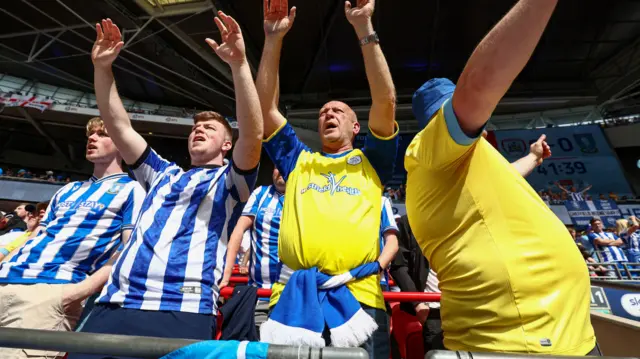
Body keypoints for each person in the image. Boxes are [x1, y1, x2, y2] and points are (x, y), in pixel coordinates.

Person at [404, 0, 596, 355]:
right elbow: (477, 86)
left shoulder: (463, 165)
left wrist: (533, 159)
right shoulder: (430, 148)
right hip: (515, 344)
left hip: (564, 338)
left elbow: (504, 178)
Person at [70, 14, 263, 351]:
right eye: (194, 128)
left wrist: (239, 64)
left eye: (210, 129)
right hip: (116, 304)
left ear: (227, 145)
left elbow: (253, 133)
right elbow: (120, 127)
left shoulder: (231, 181)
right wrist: (102, 69)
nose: (198, 130)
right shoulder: (162, 173)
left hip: (182, 308)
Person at [255, 0, 397, 356]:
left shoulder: (372, 162)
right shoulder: (297, 161)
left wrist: (364, 28)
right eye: (322, 112)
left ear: (355, 125)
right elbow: (264, 110)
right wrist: (273, 41)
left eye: (338, 110)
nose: (328, 113)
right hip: (293, 299)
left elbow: (386, 101)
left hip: (360, 299)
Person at [0, 117, 145, 359]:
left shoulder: (133, 189)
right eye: (90, 134)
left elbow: (130, 247)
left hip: (50, 291)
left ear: (122, 143)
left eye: (102, 134)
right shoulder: (67, 189)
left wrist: (78, 292)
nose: (92, 138)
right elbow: (36, 235)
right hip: (6, 279)